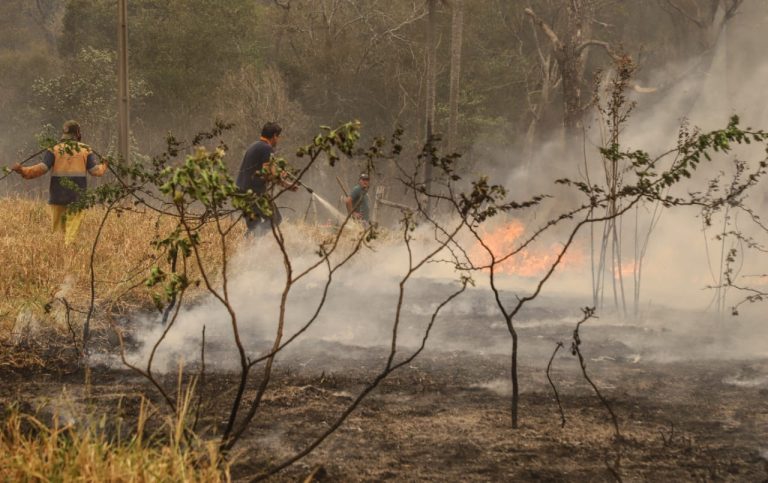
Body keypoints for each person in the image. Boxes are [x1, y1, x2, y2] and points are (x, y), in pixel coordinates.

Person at [12, 120, 108, 244]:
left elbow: (41, 168)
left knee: (57, 233)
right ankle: (69, 254)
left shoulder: (54, 149)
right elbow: (96, 171)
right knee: (72, 232)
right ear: (78, 133)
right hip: (77, 197)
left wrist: (22, 170)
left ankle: (58, 256)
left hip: (57, 196)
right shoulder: (85, 149)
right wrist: (104, 164)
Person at [236, 122, 296, 236]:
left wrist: (283, 180)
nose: (277, 140)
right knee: (275, 219)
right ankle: (254, 241)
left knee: (254, 225)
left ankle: (249, 248)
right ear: (274, 136)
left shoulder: (254, 146)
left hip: (241, 192)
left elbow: (266, 171)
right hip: (254, 193)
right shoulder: (267, 148)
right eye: (278, 137)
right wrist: (284, 181)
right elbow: (268, 174)